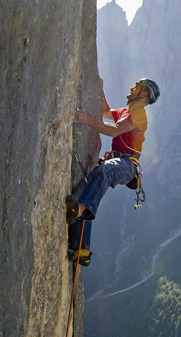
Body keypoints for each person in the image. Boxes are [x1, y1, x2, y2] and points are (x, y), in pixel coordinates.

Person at [66, 77, 160, 265]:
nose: (132, 87)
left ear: (143, 94)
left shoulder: (139, 115)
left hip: (128, 164)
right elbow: (106, 112)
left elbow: (116, 130)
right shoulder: (126, 111)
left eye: (136, 87)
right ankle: (82, 250)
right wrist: (100, 89)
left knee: (105, 171)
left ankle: (79, 210)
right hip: (117, 159)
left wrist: (87, 120)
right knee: (86, 190)